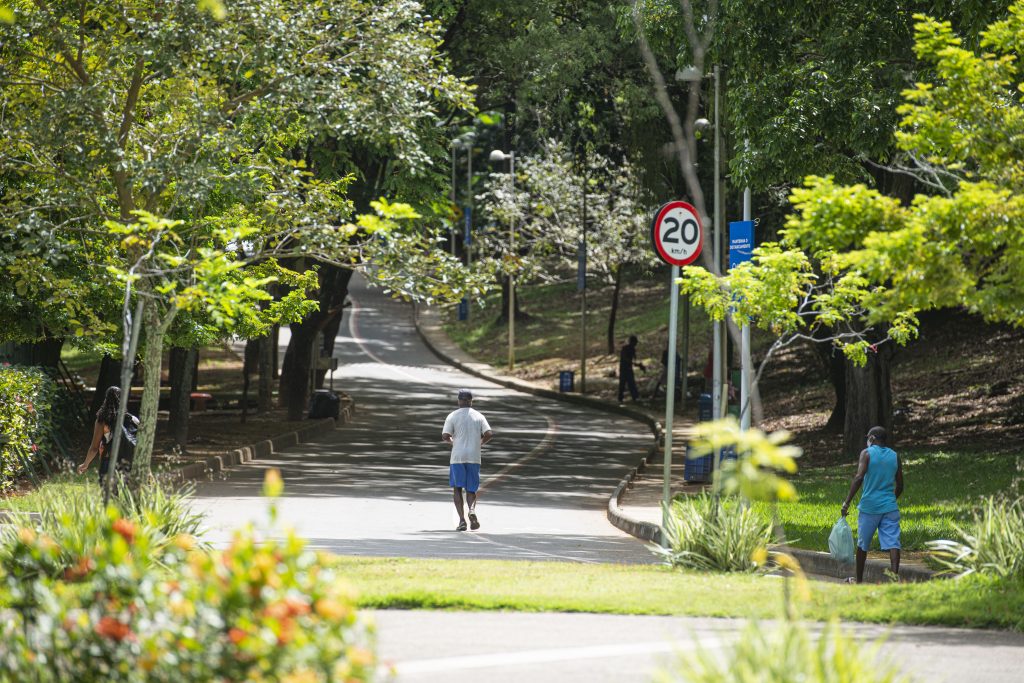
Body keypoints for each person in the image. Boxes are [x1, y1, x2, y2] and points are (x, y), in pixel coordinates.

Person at [841, 425, 904, 583]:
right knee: (893, 543)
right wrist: (889, 500)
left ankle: (859, 581)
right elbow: (900, 485)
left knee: (863, 544)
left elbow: (859, 478)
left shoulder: (866, 453)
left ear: (872, 438)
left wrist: (846, 502)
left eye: (868, 437)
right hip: (890, 507)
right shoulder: (895, 456)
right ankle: (894, 579)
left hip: (869, 508)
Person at [442, 389, 493, 531]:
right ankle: (471, 509)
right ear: (471, 401)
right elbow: (489, 433)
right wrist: (480, 443)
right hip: (474, 456)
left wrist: (454, 442)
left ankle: (462, 521)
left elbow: (445, 436)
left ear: (459, 400)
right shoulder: (479, 416)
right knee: (471, 489)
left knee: (457, 489)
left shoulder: (452, 416)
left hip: (457, 457)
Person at [79, 386, 138, 484]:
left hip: (108, 460)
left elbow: (94, 447)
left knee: (109, 496)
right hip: (130, 460)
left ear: (106, 399)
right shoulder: (132, 419)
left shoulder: (102, 421)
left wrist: (85, 464)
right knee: (131, 496)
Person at [617, 335, 645, 404]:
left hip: (629, 368)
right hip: (624, 368)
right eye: (634, 343)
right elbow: (625, 358)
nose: (635, 344)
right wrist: (633, 363)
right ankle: (620, 397)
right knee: (623, 383)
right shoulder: (625, 348)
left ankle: (635, 397)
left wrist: (639, 364)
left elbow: (635, 359)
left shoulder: (632, 349)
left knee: (631, 383)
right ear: (631, 342)